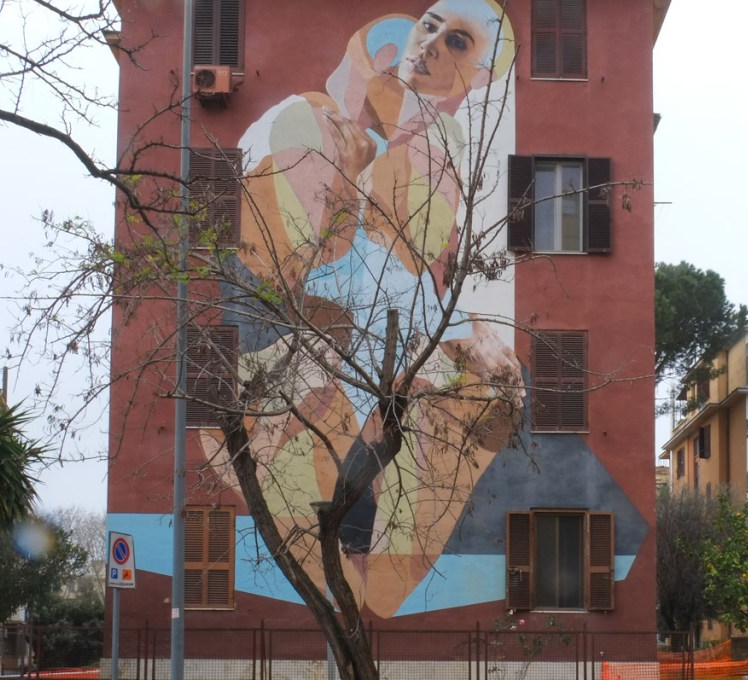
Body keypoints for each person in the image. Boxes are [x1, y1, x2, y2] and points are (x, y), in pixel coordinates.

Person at [207, 0, 520, 617]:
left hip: (399, 353)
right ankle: (353, 561)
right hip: (318, 353)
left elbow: (419, 273)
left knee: (504, 389)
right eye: (429, 26)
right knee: (342, 415)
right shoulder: (307, 121)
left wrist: (469, 327)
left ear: (480, 78)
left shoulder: (443, 148)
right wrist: (351, 185)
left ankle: (373, 560)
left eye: (457, 43)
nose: (431, 45)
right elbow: (301, 276)